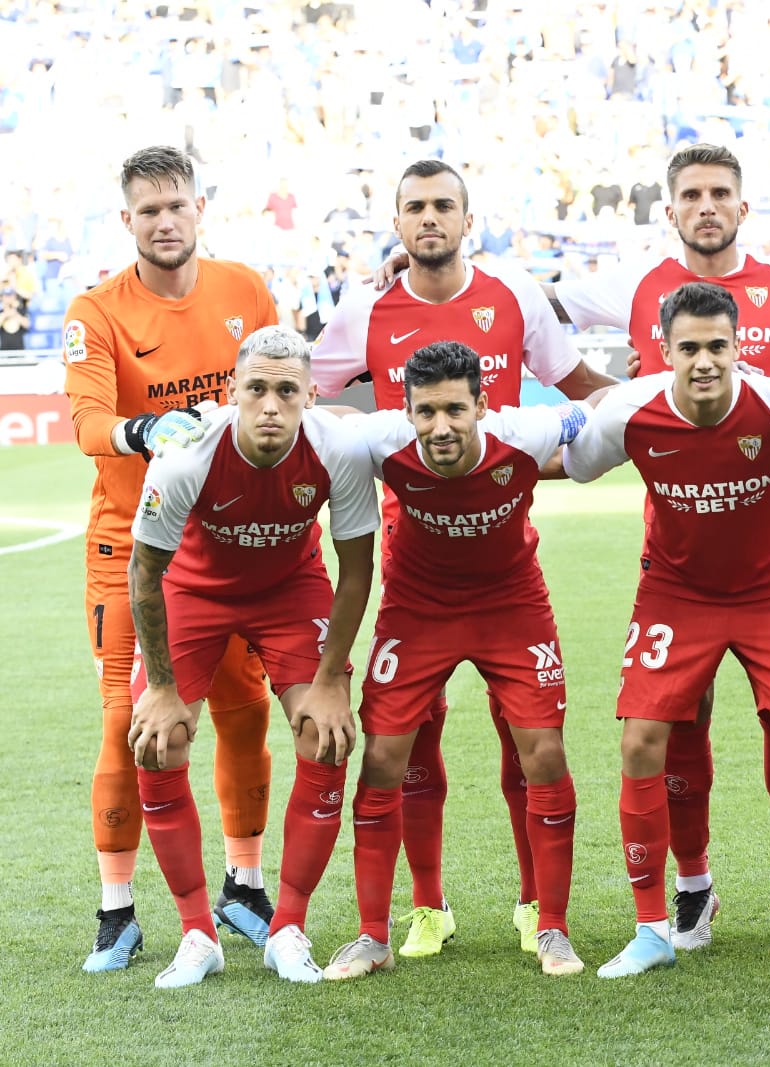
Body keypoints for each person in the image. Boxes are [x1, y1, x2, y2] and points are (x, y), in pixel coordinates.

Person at [550, 142, 770, 951]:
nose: (708, 204)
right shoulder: (636, 301)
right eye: (693, 192)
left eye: (722, 191)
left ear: (743, 205)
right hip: (677, 567)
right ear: (671, 206)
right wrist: (586, 400)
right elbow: (538, 324)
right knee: (671, 729)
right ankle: (688, 893)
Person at [313, 159, 614, 959]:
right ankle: (420, 910)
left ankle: (539, 913)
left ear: (467, 217)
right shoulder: (366, 305)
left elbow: (585, 391)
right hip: (414, 575)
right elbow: (309, 396)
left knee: (535, 746)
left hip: (509, 572)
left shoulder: (513, 295)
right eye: (415, 208)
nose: (430, 219)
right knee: (398, 749)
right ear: (397, 220)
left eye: (444, 205)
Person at [63, 145, 281, 971]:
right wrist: (147, 430)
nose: (164, 221)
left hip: (228, 543)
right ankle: (117, 909)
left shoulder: (246, 289)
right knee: (131, 723)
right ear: (128, 221)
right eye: (147, 210)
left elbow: (282, 386)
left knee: (246, 713)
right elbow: (88, 426)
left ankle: (245, 886)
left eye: (176, 205)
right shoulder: (97, 309)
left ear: (200, 208)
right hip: (131, 546)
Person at [321, 341, 591, 982]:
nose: (440, 427)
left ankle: (551, 924)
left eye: (454, 411)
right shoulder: (380, 438)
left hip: (511, 605)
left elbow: (597, 411)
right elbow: (320, 426)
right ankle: (373, 934)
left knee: (543, 752)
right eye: (426, 412)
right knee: (385, 755)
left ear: (483, 406)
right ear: (406, 411)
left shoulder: (527, 430)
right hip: (418, 609)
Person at [125, 326, 379, 987]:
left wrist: (329, 681)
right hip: (194, 587)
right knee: (159, 736)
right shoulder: (185, 453)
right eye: (258, 388)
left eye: (287, 391)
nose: (271, 405)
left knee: (327, 735)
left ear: (311, 396)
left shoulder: (339, 450)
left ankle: (287, 927)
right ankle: (196, 934)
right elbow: (145, 572)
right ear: (232, 390)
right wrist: (159, 684)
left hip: (290, 588)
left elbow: (356, 570)